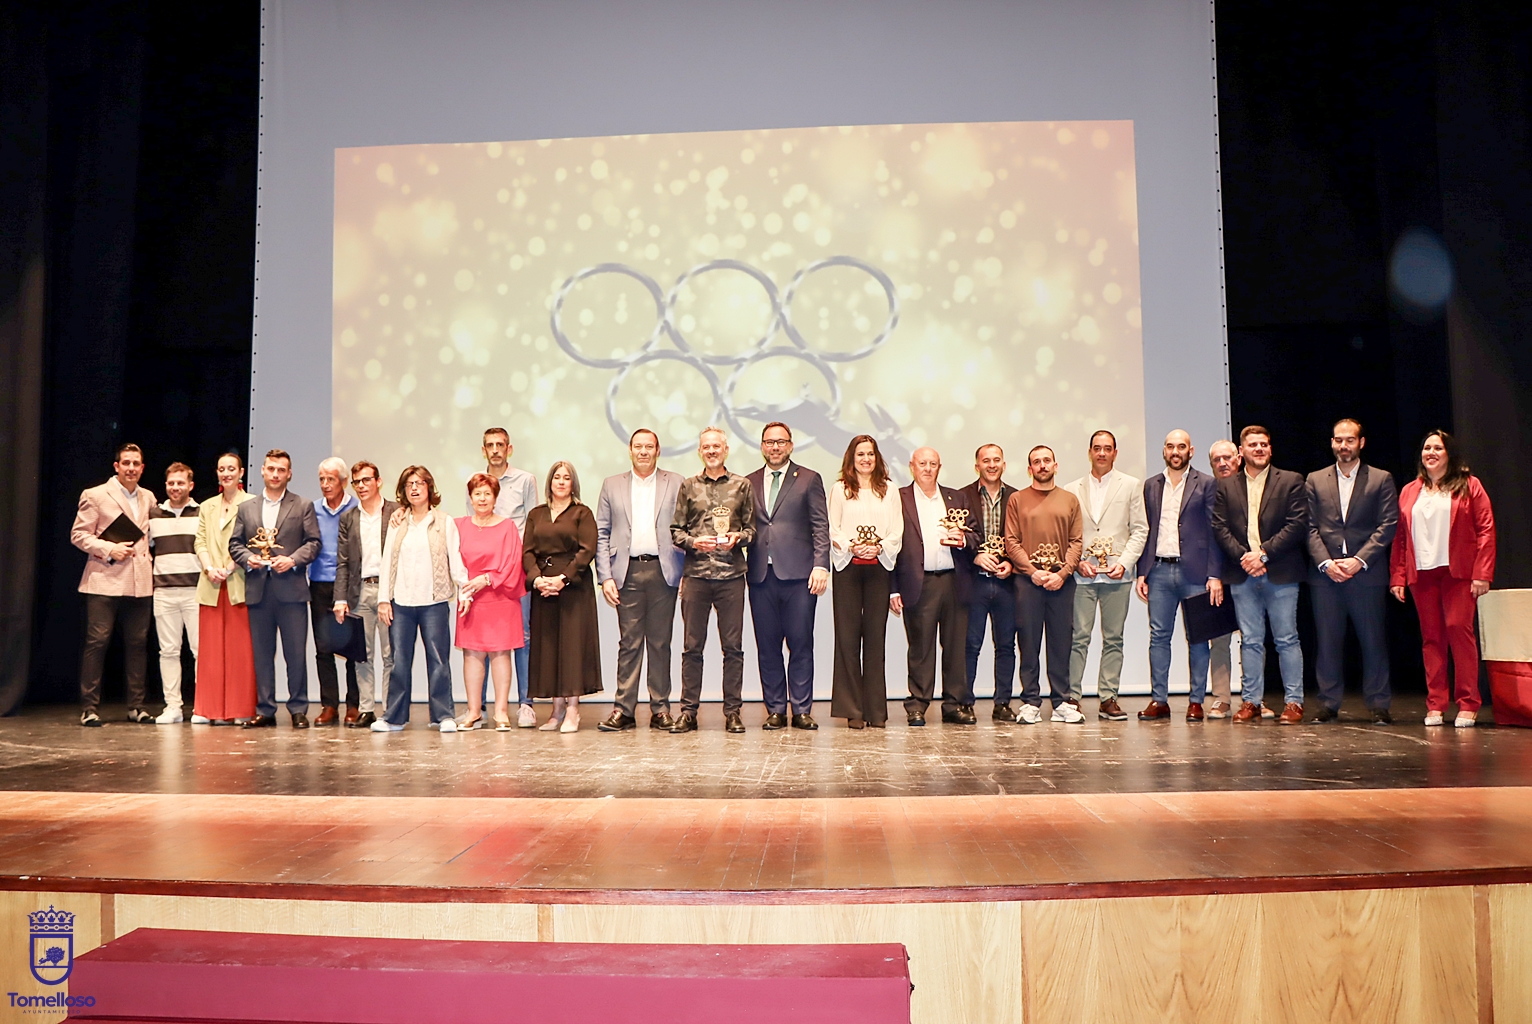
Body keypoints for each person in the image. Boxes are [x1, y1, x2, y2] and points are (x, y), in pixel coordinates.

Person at [1390, 430, 1496, 727]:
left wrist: (1482, 573)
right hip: (1422, 573)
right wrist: (1398, 575)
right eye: (1427, 448)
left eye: (1438, 448)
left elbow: (1486, 530)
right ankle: (1436, 703)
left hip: (1458, 572)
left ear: (1449, 454)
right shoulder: (1410, 490)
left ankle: (1468, 702)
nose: (1431, 453)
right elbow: (1401, 538)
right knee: (1432, 638)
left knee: (1458, 631)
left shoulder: (1470, 485)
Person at [1213, 426, 1309, 725]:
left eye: (1264, 444)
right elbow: (1220, 527)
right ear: (1242, 452)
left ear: (1270, 449)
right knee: (1251, 640)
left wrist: (1263, 554)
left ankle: (1293, 702)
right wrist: (1245, 557)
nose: (1259, 449)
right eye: (1253, 445)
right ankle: (1251, 701)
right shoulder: (1227, 486)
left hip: (1280, 572)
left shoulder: (1290, 480)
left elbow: (1297, 524)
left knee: (1287, 639)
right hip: (1243, 573)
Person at [1306, 419, 1399, 724]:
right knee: (1328, 642)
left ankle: (1379, 703)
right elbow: (1308, 527)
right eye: (1338, 440)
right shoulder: (1315, 479)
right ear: (1332, 443)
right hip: (1326, 576)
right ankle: (1328, 703)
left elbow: (1388, 524)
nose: (1343, 445)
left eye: (1349, 440)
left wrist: (1360, 560)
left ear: (1361, 443)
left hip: (1366, 574)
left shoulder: (1381, 478)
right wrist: (1326, 563)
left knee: (1373, 642)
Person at [595, 428, 685, 732]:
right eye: (638, 446)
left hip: (664, 571)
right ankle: (624, 710)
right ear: (630, 450)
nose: (643, 451)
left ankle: (661, 709)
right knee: (629, 643)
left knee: (660, 643)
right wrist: (605, 576)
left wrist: (686, 572)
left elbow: (685, 529)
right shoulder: (612, 484)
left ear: (658, 451)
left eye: (649, 447)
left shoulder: (676, 482)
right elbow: (602, 532)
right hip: (627, 572)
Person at [669, 428, 757, 734]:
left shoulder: (742, 485)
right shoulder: (688, 486)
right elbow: (676, 531)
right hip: (696, 576)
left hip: (731, 576)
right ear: (700, 451)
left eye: (716, 446)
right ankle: (688, 712)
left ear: (726, 450)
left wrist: (737, 537)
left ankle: (733, 712)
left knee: (733, 648)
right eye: (706, 447)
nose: (711, 451)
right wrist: (694, 542)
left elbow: (752, 530)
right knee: (692, 648)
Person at [745, 422, 830, 731]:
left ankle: (802, 709)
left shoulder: (808, 478)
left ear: (791, 445)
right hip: (760, 576)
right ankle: (776, 710)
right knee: (767, 647)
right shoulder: (748, 482)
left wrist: (821, 565)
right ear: (762, 446)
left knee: (800, 644)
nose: (775, 447)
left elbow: (820, 526)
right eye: (769, 442)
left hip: (800, 577)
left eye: (781, 442)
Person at [229, 449, 322, 729]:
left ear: (289, 474)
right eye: (271, 468)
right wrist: (249, 559)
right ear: (262, 470)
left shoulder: (302, 505)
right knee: (262, 654)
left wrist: (292, 559)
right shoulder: (247, 508)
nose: (275, 474)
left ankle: (298, 709)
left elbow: (314, 543)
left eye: (281, 470)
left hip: (291, 590)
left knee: (295, 655)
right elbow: (235, 544)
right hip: (258, 590)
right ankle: (266, 709)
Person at [1136, 430, 1223, 721]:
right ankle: (1159, 700)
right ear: (1164, 450)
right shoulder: (1151, 485)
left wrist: (1214, 574)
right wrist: (1142, 572)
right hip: (1159, 571)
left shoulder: (1206, 483)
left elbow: (1214, 531)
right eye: (1171, 446)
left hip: (1195, 573)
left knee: (1198, 638)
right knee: (1158, 637)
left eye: (1181, 446)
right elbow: (1146, 531)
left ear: (1191, 451)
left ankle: (1196, 701)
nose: (1176, 451)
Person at [373, 465, 466, 732]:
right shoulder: (397, 522)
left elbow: (455, 560)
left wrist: (465, 590)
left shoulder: (444, 522)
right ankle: (394, 718)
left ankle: (443, 716)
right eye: (409, 484)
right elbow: (387, 562)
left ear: (429, 487)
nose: (414, 488)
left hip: (434, 602)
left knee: (438, 660)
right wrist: (383, 599)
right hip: (401, 603)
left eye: (419, 483)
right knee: (399, 662)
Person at [1063, 431, 1148, 721]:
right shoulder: (1072, 489)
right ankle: (1072, 697)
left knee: (1113, 639)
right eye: (1097, 448)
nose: (1102, 453)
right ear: (1090, 452)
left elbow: (1140, 529)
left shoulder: (1131, 485)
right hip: (1083, 576)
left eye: (1107, 448)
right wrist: (1076, 563)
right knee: (1078, 638)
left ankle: (1108, 698)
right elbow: (1066, 534)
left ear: (1115, 453)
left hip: (1117, 576)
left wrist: (1124, 563)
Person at [72, 443, 157, 726]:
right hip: (104, 578)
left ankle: (136, 706)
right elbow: (79, 534)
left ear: (142, 468)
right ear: (117, 466)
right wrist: (109, 548)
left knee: (138, 643)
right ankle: (89, 707)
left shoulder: (148, 497)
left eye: (136, 464)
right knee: (98, 642)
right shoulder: (96, 494)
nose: (131, 468)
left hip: (139, 580)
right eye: (126, 463)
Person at [892, 447, 977, 726]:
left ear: (939, 467)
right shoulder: (898, 498)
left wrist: (963, 539)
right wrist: (893, 588)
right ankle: (917, 705)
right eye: (922, 463)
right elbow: (891, 546)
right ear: (912, 466)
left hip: (954, 581)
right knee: (920, 648)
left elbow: (976, 536)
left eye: (933, 464)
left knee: (955, 647)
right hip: (919, 582)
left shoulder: (956, 498)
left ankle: (953, 704)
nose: (927, 468)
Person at [828, 435, 903, 729]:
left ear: (877, 458)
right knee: (847, 639)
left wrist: (879, 547)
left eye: (870, 454)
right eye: (860, 454)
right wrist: (851, 546)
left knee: (875, 639)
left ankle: (875, 710)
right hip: (847, 568)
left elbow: (897, 529)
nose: (866, 459)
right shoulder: (840, 489)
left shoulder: (890, 490)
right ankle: (853, 710)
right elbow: (833, 528)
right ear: (851, 458)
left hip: (878, 569)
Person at [1004, 446, 1084, 724]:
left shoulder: (1070, 500)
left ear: (1055, 465)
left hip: (1062, 582)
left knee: (1061, 643)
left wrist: (1062, 573)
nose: (1042, 465)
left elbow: (1076, 542)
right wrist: (1032, 571)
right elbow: (1011, 541)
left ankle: (1061, 701)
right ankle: (1030, 701)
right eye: (1036, 462)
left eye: (1046, 460)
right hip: (1028, 582)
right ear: (1030, 469)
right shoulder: (1017, 499)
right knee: (1028, 642)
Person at [524, 461, 602, 732]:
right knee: (548, 649)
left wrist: (563, 579)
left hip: (573, 587)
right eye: (556, 477)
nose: (560, 482)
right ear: (550, 482)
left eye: (566, 478)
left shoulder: (582, 513)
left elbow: (587, 550)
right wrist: (537, 580)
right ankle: (556, 711)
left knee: (572, 648)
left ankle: (572, 710)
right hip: (544, 587)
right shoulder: (536, 514)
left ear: (573, 484)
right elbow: (527, 551)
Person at [471, 427, 540, 726]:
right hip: (482, 574)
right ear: (483, 450)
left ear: (509, 449)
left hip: (515, 571)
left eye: (500, 445)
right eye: (490, 445)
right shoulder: (476, 482)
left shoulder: (525, 480)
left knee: (522, 635)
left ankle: (526, 704)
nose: (495, 450)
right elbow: (473, 527)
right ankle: (480, 708)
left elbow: (534, 525)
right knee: (482, 638)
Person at [455, 473, 527, 730]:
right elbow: (452, 560)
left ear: (495, 498)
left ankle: (501, 712)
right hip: (470, 599)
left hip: (500, 597)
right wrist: (467, 589)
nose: (482, 498)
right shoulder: (458, 525)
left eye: (487, 494)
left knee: (500, 653)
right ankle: (474, 711)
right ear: (470, 498)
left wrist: (487, 579)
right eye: (477, 494)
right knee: (472, 654)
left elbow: (513, 563)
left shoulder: (508, 527)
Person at [192, 452, 257, 725]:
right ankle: (210, 710)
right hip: (211, 583)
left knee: (240, 651)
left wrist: (229, 568)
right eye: (221, 469)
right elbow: (199, 541)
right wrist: (209, 569)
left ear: (241, 472)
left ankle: (239, 710)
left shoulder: (252, 503)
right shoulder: (207, 506)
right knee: (210, 652)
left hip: (238, 582)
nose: (226, 473)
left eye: (231, 468)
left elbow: (253, 542)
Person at [332, 460, 397, 728]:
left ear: (378, 481)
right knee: (362, 655)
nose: (361, 486)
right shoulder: (348, 518)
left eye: (366, 480)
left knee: (390, 654)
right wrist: (340, 599)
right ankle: (367, 709)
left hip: (389, 592)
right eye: (356, 482)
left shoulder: (396, 512)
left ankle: (391, 710)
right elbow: (343, 562)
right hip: (359, 592)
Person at [959, 445, 1019, 721]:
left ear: (1004, 465)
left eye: (996, 460)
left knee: (1006, 645)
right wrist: (975, 556)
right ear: (977, 466)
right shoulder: (961, 497)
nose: (992, 465)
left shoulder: (1017, 497)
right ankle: (965, 702)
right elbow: (956, 538)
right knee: (970, 645)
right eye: (986, 460)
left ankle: (1002, 703)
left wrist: (1012, 564)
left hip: (1007, 582)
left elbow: (1023, 538)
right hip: (974, 582)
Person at [146, 462, 200, 724]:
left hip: (195, 591)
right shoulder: (153, 514)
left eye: (180, 483)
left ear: (191, 485)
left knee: (200, 651)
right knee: (168, 651)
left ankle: (202, 706)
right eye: (171, 483)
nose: (175, 487)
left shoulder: (203, 513)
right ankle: (173, 707)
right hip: (164, 592)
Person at [309, 457, 359, 725]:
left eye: (331, 479)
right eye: (322, 479)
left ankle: (354, 705)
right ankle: (329, 705)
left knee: (352, 647)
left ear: (344, 481)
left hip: (349, 584)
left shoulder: (357, 507)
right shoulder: (312, 509)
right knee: (323, 647)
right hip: (319, 583)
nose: (326, 484)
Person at [1204, 440, 1243, 718]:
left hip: (1249, 572)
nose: (1222, 463)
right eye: (1217, 460)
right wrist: (1214, 574)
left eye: (1227, 458)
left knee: (1253, 638)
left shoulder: (1252, 487)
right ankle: (1222, 698)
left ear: (1238, 458)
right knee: (1219, 640)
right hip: (1217, 575)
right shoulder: (1206, 490)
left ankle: (1255, 698)